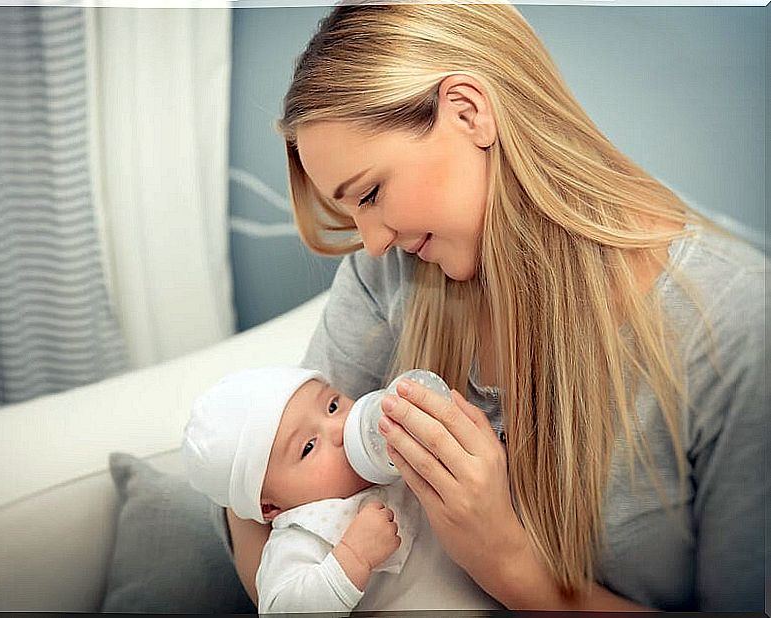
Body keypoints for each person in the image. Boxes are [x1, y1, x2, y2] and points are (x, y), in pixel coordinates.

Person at [226, 2, 769, 613]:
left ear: (469, 112)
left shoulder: (732, 326)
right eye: (351, 211)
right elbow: (254, 483)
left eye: (372, 193)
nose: (371, 239)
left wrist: (508, 562)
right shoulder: (390, 274)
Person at [183, 366, 500, 614]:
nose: (338, 429)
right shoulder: (303, 537)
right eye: (308, 447)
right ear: (270, 508)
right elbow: (282, 610)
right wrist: (351, 558)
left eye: (333, 406)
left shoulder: (398, 463)